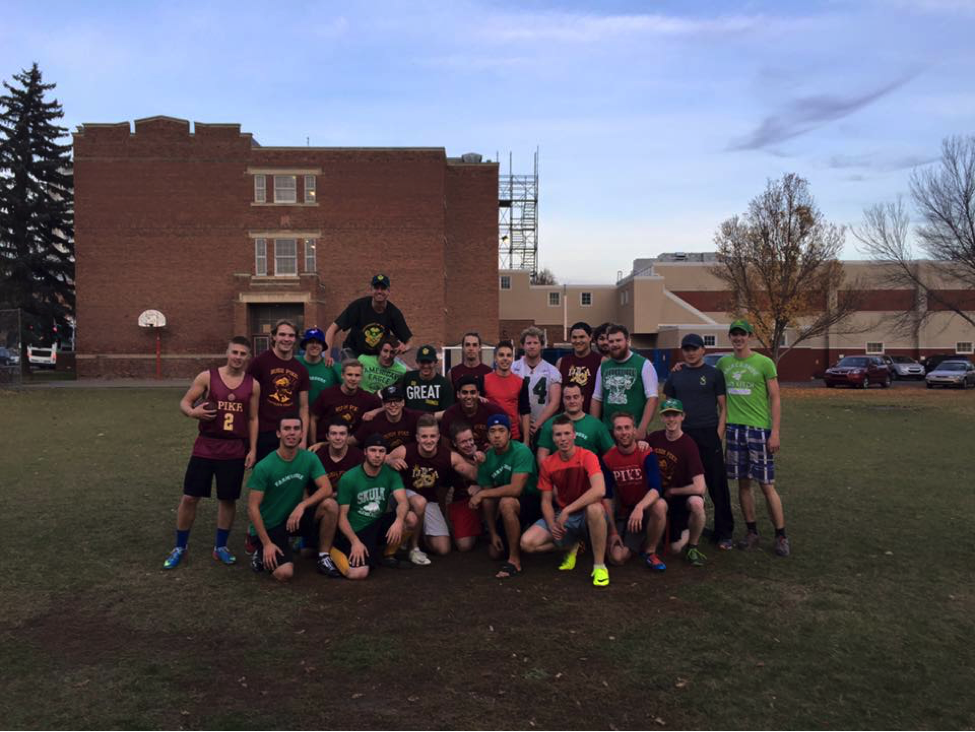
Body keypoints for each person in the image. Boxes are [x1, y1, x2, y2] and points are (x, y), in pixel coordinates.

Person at [164, 336, 260, 570]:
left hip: (234, 449)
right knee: (189, 497)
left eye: (242, 354)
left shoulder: (253, 384)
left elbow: (253, 418)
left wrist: (253, 449)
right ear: (227, 353)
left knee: (227, 499)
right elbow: (185, 402)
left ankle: (220, 547)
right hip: (206, 445)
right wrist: (192, 413)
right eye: (234, 352)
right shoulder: (207, 376)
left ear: (248, 357)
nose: (238, 357)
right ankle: (180, 546)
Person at [717, 319, 788, 556]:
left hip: (759, 430)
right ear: (730, 337)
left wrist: (775, 432)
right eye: (734, 334)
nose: (738, 338)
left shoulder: (764, 363)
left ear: (750, 336)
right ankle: (752, 531)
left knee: (767, 485)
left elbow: (775, 398)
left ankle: (780, 535)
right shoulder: (723, 363)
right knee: (743, 484)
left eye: (742, 334)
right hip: (734, 429)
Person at [520, 416, 610, 587]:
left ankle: (599, 566)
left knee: (595, 509)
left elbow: (600, 490)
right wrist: (551, 523)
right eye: (558, 435)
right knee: (527, 544)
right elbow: (546, 501)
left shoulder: (587, 456)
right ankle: (571, 546)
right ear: (553, 438)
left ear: (574, 435)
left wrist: (567, 510)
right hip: (564, 517)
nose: (563, 439)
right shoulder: (548, 463)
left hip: (585, 514)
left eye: (567, 433)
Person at [247, 416, 341, 581]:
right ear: (278, 433)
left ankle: (323, 556)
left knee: (330, 505)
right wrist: (268, 543)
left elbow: (326, 488)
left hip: (293, 518)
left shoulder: (309, 458)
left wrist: (302, 506)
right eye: (287, 429)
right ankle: (261, 549)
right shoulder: (264, 466)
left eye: (296, 429)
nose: (291, 433)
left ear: (302, 433)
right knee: (284, 573)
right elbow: (252, 508)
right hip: (271, 525)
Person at [664, 333, 734, 550]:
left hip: (708, 434)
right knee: (683, 483)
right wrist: (674, 433)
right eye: (686, 349)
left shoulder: (714, 374)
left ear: (703, 350)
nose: (690, 353)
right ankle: (682, 527)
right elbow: (669, 408)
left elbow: (724, 407)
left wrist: (718, 435)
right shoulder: (675, 375)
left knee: (716, 484)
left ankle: (724, 533)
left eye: (694, 348)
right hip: (684, 436)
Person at [385, 414, 480, 558]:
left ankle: (415, 536)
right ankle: (414, 548)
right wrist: (389, 461)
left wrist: (477, 458)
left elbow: (473, 474)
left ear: (438, 437)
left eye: (432, 436)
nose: (428, 441)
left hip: (429, 501)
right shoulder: (405, 451)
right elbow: (379, 460)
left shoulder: (449, 457)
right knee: (419, 502)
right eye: (424, 437)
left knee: (443, 549)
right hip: (402, 497)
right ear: (417, 437)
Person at [332, 433, 417, 580]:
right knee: (358, 573)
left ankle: (387, 554)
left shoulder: (390, 473)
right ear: (365, 452)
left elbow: (403, 502)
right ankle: (331, 550)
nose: (377, 455)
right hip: (357, 529)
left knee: (410, 518)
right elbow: (342, 517)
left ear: (386, 454)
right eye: (373, 450)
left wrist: (398, 521)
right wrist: (355, 542)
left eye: (381, 451)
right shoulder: (349, 478)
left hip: (377, 522)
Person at [471, 414, 539, 579]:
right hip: (508, 505)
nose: (497, 435)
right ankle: (505, 539)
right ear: (487, 436)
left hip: (532, 501)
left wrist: (482, 493)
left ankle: (514, 560)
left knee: (506, 502)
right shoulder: (487, 459)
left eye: (501, 430)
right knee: (494, 553)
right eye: (492, 431)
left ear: (509, 434)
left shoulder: (522, 451)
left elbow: (516, 489)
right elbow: (487, 500)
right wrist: (493, 532)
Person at [602, 412, 667, 571]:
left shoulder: (646, 453)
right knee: (617, 559)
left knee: (660, 505)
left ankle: (650, 552)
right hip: (625, 513)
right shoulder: (608, 459)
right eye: (619, 428)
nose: (623, 432)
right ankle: (637, 542)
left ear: (635, 431)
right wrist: (613, 531)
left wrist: (640, 507)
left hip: (644, 509)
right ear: (614, 432)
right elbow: (607, 497)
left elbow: (656, 488)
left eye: (627, 428)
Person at [646, 400, 708, 567]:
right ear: (662, 417)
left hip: (682, 495)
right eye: (667, 415)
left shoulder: (688, 444)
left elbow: (700, 486)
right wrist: (641, 444)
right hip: (661, 496)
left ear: (682, 417)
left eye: (675, 415)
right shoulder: (654, 438)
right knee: (672, 547)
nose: (671, 419)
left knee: (697, 504)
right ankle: (652, 547)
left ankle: (692, 545)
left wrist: (674, 491)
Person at [246, 320, 310, 460]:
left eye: (291, 335)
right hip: (265, 432)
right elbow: (247, 396)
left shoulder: (301, 369)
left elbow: (304, 408)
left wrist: (303, 438)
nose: (286, 339)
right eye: (282, 334)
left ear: (295, 339)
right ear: (273, 336)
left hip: (290, 432)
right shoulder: (259, 363)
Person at [323, 273, 412, 362]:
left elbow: (409, 341)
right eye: (376, 288)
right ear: (371, 290)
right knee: (353, 372)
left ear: (389, 291)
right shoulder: (358, 306)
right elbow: (332, 329)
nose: (379, 291)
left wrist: (404, 348)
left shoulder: (393, 313)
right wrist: (327, 356)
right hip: (353, 352)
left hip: (376, 357)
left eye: (383, 288)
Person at [591, 323, 658, 438]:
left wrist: (642, 428)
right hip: (608, 430)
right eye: (611, 341)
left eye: (618, 340)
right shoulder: (604, 366)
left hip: (633, 430)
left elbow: (652, 399)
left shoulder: (643, 364)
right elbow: (597, 398)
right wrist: (594, 427)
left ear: (627, 340)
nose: (614, 344)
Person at [535, 382, 614, 465]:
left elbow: (612, 454)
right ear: (563, 400)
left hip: (588, 474)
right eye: (568, 398)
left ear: (582, 398)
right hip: (558, 474)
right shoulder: (550, 424)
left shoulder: (596, 425)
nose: (572, 401)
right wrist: (548, 476)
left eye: (575, 397)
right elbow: (542, 456)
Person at [309, 359, 381, 442]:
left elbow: (388, 407)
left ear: (361, 377)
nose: (353, 379)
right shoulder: (327, 394)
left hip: (351, 445)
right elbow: (313, 418)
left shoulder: (367, 398)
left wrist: (375, 411)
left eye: (357, 375)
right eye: (349, 374)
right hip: (325, 442)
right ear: (342, 375)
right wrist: (312, 443)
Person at [511, 326, 562, 440]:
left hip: (544, 426)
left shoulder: (552, 370)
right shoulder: (513, 368)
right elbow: (509, 398)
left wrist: (537, 424)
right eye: (528, 343)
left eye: (535, 342)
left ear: (542, 345)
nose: (532, 346)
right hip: (516, 423)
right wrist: (522, 422)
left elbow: (555, 403)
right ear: (523, 345)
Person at [445, 422, 486, 552]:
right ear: (455, 444)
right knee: (464, 546)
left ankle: (489, 528)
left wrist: (482, 489)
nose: (468, 444)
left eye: (470, 440)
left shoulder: (486, 451)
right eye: (463, 442)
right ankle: (477, 529)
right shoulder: (452, 460)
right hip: (462, 501)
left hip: (488, 497)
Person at [482, 340, 531, 444]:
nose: (505, 358)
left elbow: (525, 412)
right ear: (495, 358)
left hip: (513, 436)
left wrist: (526, 440)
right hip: (490, 437)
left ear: (512, 358)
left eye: (508, 355)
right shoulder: (484, 380)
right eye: (501, 355)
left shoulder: (521, 382)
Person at [440, 375, 506, 450]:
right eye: (465, 393)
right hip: (460, 457)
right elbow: (445, 446)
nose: (469, 396)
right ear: (458, 394)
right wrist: (463, 460)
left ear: (478, 394)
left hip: (489, 456)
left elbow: (507, 432)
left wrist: (494, 447)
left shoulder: (492, 410)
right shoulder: (450, 414)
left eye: (472, 392)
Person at [353, 384, 420, 451]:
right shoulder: (373, 421)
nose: (393, 404)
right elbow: (353, 441)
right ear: (383, 404)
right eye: (388, 401)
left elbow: (429, 417)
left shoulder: (414, 417)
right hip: (382, 459)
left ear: (403, 402)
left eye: (396, 400)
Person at [557, 322, 604, 414]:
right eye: (574, 337)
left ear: (590, 338)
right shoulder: (561, 362)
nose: (578, 341)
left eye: (582, 337)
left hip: (591, 417)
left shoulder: (601, 361)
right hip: (566, 418)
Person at [311, 417, 363, 494]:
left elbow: (361, 486)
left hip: (350, 499)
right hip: (324, 501)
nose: (338, 438)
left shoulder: (358, 456)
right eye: (333, 433)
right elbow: (310, 489)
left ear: (348, 436)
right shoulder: (318, 457)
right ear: (327, 436)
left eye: (342, 434)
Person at [399, 344, 455, 414]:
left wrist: (426, 418)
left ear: (435, 362)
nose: (426, 366)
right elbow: (399, 403)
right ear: (417, 362)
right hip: (410, 423)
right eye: (422, 362)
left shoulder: (444, 384)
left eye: (429, 362)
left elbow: (447, 412)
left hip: (434, 423)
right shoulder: (408, 378)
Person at [297, 327, 339, 406]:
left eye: (318, 342)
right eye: (311, 342)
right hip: (298, 415)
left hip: (323, 416)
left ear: (323, 346)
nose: (315, 345)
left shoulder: (331, 366)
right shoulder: (295, 363)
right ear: (305, 344)